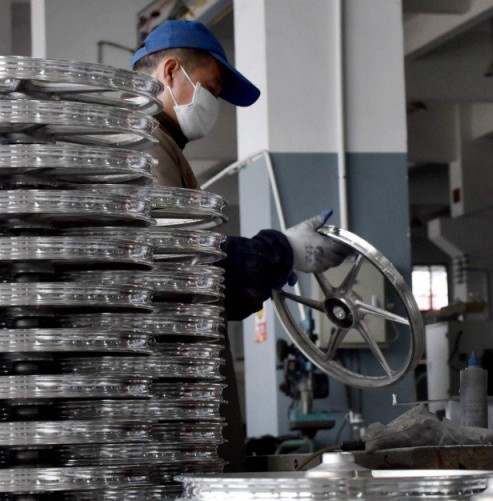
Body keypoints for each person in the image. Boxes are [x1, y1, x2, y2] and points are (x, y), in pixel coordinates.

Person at [130, 20, 350, 469]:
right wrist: (281, 251)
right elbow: (180, 269)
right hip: (165, 409)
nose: (213, 107)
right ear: (171, 71)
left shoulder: (162, 149)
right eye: (210, 90)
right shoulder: (142, 148)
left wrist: (271, 266)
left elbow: (206, 286)